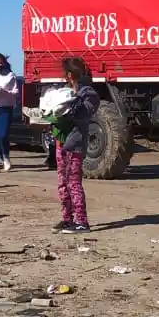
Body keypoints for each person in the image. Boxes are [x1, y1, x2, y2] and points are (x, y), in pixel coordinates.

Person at [52, 57, 99, 234]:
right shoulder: (63, 91)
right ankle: (67, 218)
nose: (61, 76)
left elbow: (85, 112)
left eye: (63, 72)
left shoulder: (88, 94)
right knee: (62, 182)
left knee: (73, 182)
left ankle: (81, 221)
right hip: (61, 142)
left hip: (75, 143)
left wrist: (70, 106)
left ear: (70, 74)